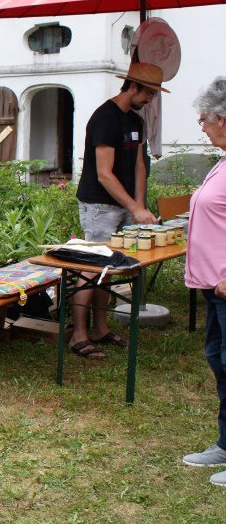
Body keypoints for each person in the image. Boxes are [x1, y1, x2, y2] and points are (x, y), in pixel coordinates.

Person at [70, 62, 168, 359]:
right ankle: (78, 334)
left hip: (125, 205)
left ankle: (99, 328)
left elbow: (140, 166)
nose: (151, 100)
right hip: (99, 204)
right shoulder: (105, 118)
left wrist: (140, 207)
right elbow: (104, 174)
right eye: (149, 93)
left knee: (110, 268)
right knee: (92, 267)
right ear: (133, 86)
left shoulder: (136, 121)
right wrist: (134, 207)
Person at [183, 77, 226, 487]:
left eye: (204, 119)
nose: (202, 127)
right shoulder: (223, 161)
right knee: (220, 361)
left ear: (224, 120)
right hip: (214, 288)